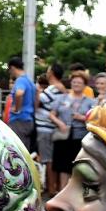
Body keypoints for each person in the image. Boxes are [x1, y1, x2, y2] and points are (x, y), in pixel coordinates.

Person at [49, 72, 97, 189]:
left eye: (79, 82)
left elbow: (95, 119)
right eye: (74, 82)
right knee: (62, 166)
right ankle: (62, 190)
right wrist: (60, 123)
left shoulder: (90, 101)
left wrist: (82, 118)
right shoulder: (61, 98)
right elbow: (51, 115)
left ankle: (76, 193)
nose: (76, 84)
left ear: (85, 85)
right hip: (63, 135)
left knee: (78, 165)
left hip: (80, 137)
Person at [35, 64, 67, 193]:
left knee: (47, 158)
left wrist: (37, 92)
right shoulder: (62, 88)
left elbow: (36, 103)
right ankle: (53, 186)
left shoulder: (52, 89)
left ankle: (52, 188)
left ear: (52, 73)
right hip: (53, 127)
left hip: (45, 127)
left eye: (48, 71)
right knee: (51, 158)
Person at [5, 57, 36, 154]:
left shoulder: (20, 80)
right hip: (28, 119)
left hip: (19, 120)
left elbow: (19, 93)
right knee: (24, 151)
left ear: (13, 68)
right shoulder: (30, 81)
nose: (10, 73)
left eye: (10, 70)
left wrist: (16, 108)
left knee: (16, 151)